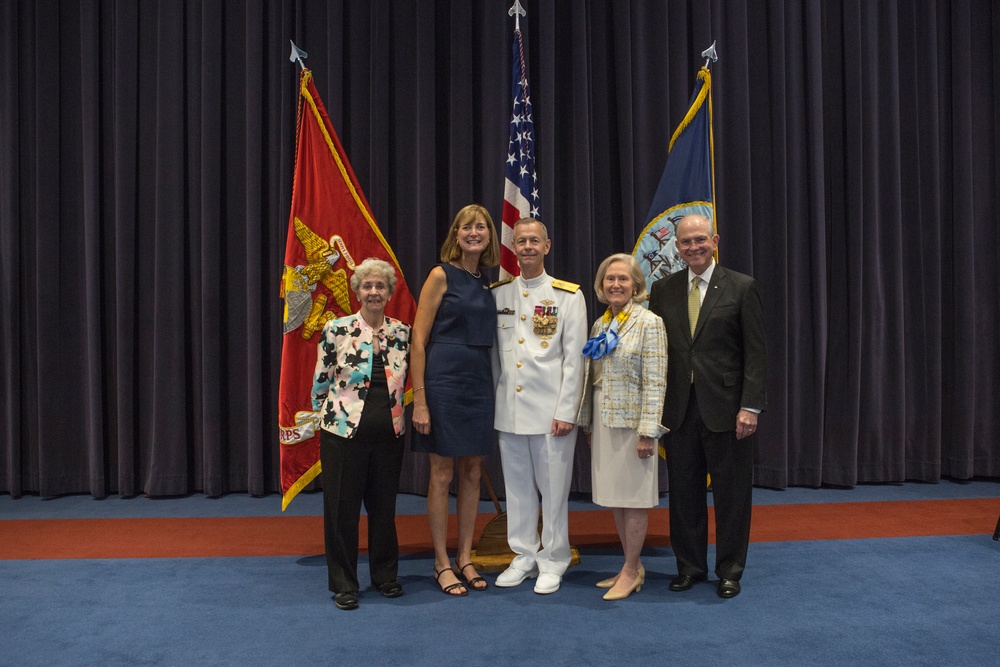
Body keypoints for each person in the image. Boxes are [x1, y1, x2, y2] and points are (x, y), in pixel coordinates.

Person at [648, 213, 767, 599]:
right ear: (677, 247)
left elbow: (756, 354)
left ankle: (730, 570)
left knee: (732, 496)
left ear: (714, 240)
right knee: (683, 494)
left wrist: (750, 406)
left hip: (729, 410)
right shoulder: (662, 289)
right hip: (679, 409)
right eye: (686, 242)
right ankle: (690, 567)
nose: (693, 247)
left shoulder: (741, 287)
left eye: (700, 240)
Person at [490, 218, 588, 595]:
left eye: (534, 240)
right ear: (513, 248)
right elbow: (498, 361)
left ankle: (554, 558)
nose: (527, 246)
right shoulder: (499, 295)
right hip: (510, 410)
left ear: (547, 246)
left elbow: (573, 360)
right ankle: (524, 555)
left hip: (551, 414)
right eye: (521, 241)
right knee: (517, 490)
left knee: (553, 490)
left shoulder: (567, 296)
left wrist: (566, 411)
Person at [310, 258, 411, 611]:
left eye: (380, 286)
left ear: (389, 292)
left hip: (390, 435)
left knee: (384, 509)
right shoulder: (336, 329)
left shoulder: (402, 332)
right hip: (342, 435)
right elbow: (320, 383)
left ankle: (385, 576)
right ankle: (344, 583)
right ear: (356, 291)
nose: (373, 292)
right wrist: (327, 417)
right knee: (342, 510)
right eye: (367, 286)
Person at [411, 204, 500, 596]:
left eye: (480, 227)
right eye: (467, 227)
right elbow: (418, 338)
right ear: (456, 234)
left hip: (479, 382)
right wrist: (421, 400)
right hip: (443, 381)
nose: (474, 232)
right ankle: (441, 562)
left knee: (473, 474)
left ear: (489, 235)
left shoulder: (486, 281)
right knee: (442, 473)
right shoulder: (440, 274)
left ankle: (465, 556)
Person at [577, 253, 667, 601]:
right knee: (616, 496)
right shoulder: (601, 324)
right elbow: (593, 376)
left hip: (633, 424)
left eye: (623, 279)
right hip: (603, 419)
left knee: (634, 499)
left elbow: (656, 380)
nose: (616, 284)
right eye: (610, 279)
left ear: (636, 285)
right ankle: (631, 565)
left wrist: (648, 430)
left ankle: (631, 570)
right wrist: (587, 421)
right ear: (601, 285)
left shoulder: (649, 322)